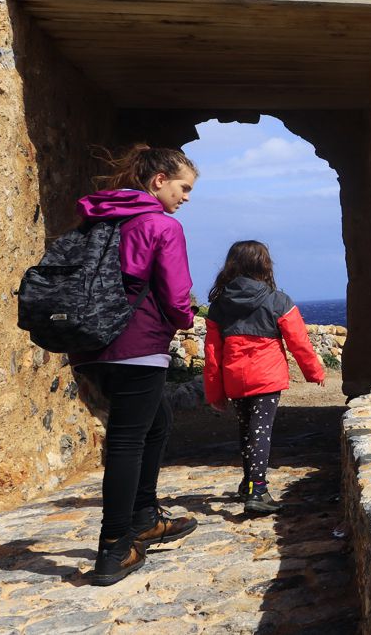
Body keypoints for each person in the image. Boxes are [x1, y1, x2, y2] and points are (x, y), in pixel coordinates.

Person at [70, 144, 200, 586]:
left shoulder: (97, 219)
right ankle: (113, 547)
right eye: (183, 188)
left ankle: (144, 517)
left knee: (157, 423)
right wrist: (183, 319)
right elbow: (177, 293)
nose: (186, 198)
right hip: (137, 345)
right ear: (158, 180)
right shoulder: (159, 225)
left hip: (90, 347)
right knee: (127, 442)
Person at [202, 240, 326, 516]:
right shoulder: (277, 300)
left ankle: (248, 483)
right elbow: (299, 342)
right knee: (260, 433)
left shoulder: (219, 304)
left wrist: (214, 391)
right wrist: (314, 372)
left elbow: (212, 353)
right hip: (266, 376)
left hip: (235, 377)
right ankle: (258, 490)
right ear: (264, 265)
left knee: (246, 431)